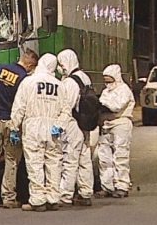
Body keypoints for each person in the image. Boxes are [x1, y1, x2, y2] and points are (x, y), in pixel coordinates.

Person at [0, 43, 38, 209]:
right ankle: (8, 198)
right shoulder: (25, 79)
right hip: (12, 124)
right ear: (31, 65)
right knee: (11, 160)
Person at [10, 53, 65, 212]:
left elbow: (19, 107)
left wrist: (14, 127)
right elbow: (66, 110)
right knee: (54, 164)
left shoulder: (28, 82)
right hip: (52, 128)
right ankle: (53, 198)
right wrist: (59, 125)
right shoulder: (58, 85)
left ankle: (38, 200)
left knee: (35, 164)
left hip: (33, 127)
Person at [56, 49, 94, 207]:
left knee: (70, 160)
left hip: (73, 125)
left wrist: (59, 126)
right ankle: (85, 193)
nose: (60, 67)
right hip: (85, 124)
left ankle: (65, 195)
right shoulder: (84, 77)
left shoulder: (70, 82)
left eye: (61, 63)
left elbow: (67, 107)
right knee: (85, 159)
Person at [96, 64, 135, 198]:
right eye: (105, 81)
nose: (107, 84)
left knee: (120, 155)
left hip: (120, 123)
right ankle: (107, 186)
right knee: (104, 157)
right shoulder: (106, 92)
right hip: (106, 124)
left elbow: (117, 106)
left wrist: (103, 104)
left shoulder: (124, 90)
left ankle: (122, 185)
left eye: (109, 80)